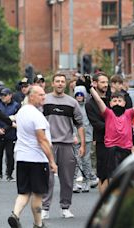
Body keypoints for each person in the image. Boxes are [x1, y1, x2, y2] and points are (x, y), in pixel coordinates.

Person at [7, 86, 57, 228]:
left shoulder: (21, 112)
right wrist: (52, 161)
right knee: (38, 194)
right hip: (37, 159)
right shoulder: (36, 115)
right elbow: (42, 140)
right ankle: (38, 223)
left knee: (24, 192)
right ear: (32, 96)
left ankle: (15, 214)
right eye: (40, 95)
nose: (44, 97)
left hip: (22, 157)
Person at [88, 78, 134, 182]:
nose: (117, 103)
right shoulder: (108, 113)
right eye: (114, 101)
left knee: (126, 179)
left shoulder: (129, 113)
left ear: (124, 103)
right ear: (110, 104)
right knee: (112, 179)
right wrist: (91, 88)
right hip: (111, 151)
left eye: (119, 101)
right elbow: (98, 101)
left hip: (125, 151)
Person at [42, 74, 85, 219]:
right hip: (49, 144)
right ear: (52, 83)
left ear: (65, 84)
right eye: (57, 81)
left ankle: (65, 207)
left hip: (67, 145)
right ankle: (45, 208)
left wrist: (82, 144)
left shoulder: (72, 102)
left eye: (62, 81)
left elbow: (79, 124)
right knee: (47, 178)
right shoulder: (44, 100)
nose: (60, 84)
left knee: (67, 179)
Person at [85, 72, 110, 193]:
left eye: (107, 82)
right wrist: (114, 126)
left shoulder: (112, 98)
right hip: (102, 141)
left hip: (119, 141)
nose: (106, 85)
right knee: (103, 175)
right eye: (102, 82)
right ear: (94, 84)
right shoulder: (90, 104)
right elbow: (96, 124)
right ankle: (105, 206)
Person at [72, 86, 98, 193]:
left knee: (86, 160)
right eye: (77, 94)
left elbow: (92, 122)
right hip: (75, 138)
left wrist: (93, 137)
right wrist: (73, 134)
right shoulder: (72, 106)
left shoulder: (88, 107)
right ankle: (74, 183)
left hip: (87, 137)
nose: (79, 96)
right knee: (75, 161)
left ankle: (87, 181)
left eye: (81, 94)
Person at [0, 88, 20, 181]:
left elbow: (16, 118)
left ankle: (9, 174)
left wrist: (5, 128)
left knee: (10, 154)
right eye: (2, 95)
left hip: (10, 133)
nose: (3, 97)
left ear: (10, 95)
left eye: (5, 95)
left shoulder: (16, 105)